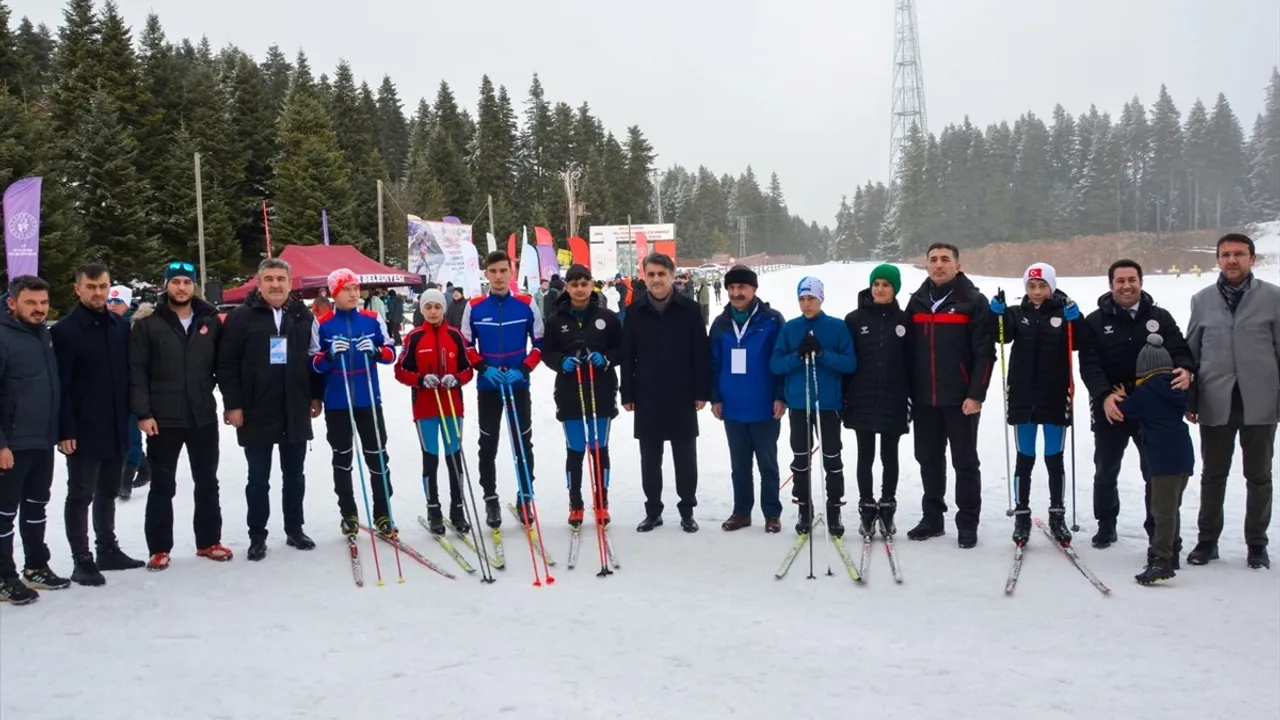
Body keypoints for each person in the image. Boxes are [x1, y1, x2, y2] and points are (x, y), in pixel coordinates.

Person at [1077, 259, 1195, 550]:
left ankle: (1156, 529)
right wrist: (1104, 396)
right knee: (1106, 469)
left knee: (1153, 471)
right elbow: (1089, 364)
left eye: (1132, 280)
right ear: (1111, 285)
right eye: (1120, 280)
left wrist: (1186, 369)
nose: (1126, 286)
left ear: (1141, 282)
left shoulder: (1160, 317)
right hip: (1113, 406)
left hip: (1152, 409)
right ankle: (1106, 525)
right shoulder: (1094, 321)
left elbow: (1180, 349)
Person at [218, 258, 323, 561]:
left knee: (295, 475)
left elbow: (314, 358)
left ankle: (294, 528)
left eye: (281, 279)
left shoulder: (303, 315)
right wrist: (233, 404)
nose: (276, 284)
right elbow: (226, 364)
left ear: (290, 283)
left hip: (294, 406)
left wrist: (314, 396)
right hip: (256, 408)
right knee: (258, 479)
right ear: (259, 282)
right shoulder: (240, 317)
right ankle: (257, 535)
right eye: (269, 279)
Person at [1185, 233, 1280, 570]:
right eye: (1225, 254)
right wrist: (1190, 399)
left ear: (1252, 259)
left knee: (1259, 477)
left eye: (1239, 254)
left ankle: (1257, 545)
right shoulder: (1202, 299)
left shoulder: (1273, 298)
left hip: (1260, 401)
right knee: (1213, 475)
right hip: (1215, 399)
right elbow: (1191, 353)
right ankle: (1207, 541)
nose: (1232, 260)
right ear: (1217, 260)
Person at [130, 261, 230, 570]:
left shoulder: (210, 320)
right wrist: (143, 413)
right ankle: (159, 547)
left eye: (187, 282)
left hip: (202, 416)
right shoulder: (149, 323)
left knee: (207, 481)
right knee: (162, 485)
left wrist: (232, 402)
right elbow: (137, 372)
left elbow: (223, 366)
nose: (182, 288)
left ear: (194, 286)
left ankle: (208, 541)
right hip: (164, 418)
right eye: (176, 282)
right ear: (166, 285)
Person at [51, 263, 145, 586]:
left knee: (107, 490)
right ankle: (82, 559)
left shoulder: (119, 327)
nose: (97, 292)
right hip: (82, 430)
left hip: (116, 423)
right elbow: (60, 386)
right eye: (90, 286)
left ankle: (106, 547)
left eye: (102, 286)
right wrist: (65, 430)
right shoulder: (63, 331)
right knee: (80, 494)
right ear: (77, 289)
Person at [903, 243, 995, 549]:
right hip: (925, 399)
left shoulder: (973, 302)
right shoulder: (916, 303)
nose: (939, 265)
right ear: (926, 265)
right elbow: (906, 353)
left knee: (965, 462)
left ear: (958, 265)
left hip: (961, 400)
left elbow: (985, 353)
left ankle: (967, 523)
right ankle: (933, 519)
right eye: (933, 260)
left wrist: (977, 393)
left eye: (945, 260)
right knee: (928, 459)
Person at [988, 262, 1081, 546]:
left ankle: (1057, 514)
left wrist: (1076, 320)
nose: (1037, 291)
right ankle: (1022, 514)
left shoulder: (1063, 311)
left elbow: (1079, 341)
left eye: (1042, 286)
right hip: (1023, 396)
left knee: (1054, 457)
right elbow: (1000, 337)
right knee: (1025, 457)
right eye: (1032, 286)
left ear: (1051, 287)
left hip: (1054, 395)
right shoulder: (1018, 313)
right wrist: (997, 316)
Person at [621, 253, 711, 533]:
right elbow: (627, 355)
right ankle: (653, 510)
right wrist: (627, 393)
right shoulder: (635, 311)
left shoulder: (690, 309)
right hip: (647, 394)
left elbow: (701, 353)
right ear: (644, 277)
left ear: (673, 276)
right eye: (651, 274)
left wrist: (701, 391)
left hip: (682, 393)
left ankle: (687, 510)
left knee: (685, 457)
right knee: (650, 458)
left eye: (662, 274)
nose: (657, 279)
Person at [460, 251, 544, 528]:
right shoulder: (474, 306)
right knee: (488, 443)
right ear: (486, 274)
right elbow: (467, 345)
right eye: (493, 271)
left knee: (523, 443)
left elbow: (540, 343)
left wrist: (524, 369)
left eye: (503, 271)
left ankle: (525, 496)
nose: (498, 276)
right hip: (489, 385)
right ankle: (491, 498)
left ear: (511, 273)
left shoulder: (526, 304)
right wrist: (484, 368)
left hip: (518, 384)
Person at [0, 276, 71, 604]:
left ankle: (35, 565)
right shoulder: (3, 336)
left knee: (36, 506)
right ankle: (3, 576)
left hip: (41, 439)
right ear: (12, 302)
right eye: (31, 303)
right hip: (12, 443)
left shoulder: (44, 336)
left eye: (43, 303)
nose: (39, 309)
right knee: (4, 511)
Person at [313, 268, 399, 538]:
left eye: (355, 288)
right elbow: (312, 363)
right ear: (334, 293)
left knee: (377, 458)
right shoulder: (323, 323)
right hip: (338, 402)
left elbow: (390, 353)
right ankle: (348, 514)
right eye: (346, 289)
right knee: (343, 459)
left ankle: (383, 514)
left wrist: (374, 351)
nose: (353, 293)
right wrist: (328, 356)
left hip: (368, 400)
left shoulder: (372, 319)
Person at [770, 277, 857, 536]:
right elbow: (775, 364)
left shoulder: (837, 327)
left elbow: (850, 364)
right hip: (799, 404)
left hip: (827, 404)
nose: (806, 304)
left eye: (811, 299)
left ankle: (834, 509)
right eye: (802, 299)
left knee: (832, 458)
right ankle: (804, 509)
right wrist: (797, 356)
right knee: (800, 458)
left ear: (821, 299)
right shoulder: (790, 328)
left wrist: (822, 354)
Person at [540, 265, 624, 527]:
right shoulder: (556, 319)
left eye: (584, 283)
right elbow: (546, 352)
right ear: (567, 287)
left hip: (600, 389)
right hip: (570, 391)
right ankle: (575, 503)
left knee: (598, 449)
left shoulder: (607, 317)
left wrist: (607, 358)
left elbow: (622, 348)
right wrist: (560, 361)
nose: (579, 289)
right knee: (576, 449)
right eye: (574, 284)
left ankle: (601, 502)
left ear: (592, 286)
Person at [710, 264, 786, 533]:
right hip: (732, 406)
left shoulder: (773, 320)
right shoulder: (720, 324)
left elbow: (781, 361)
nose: (735, 292)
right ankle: (741, 512)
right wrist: (715, 397)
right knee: (739, 466)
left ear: (754, 289)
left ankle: (771, 513)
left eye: (741, 287)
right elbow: (713, 363)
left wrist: (781, 396)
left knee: (767, 463)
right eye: (731, 287)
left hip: (764, 405)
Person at [394, 289, 474, 535]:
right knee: (431, 458)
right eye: (427, 307)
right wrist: (420, 379)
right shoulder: (414, 337)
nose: (432, 311)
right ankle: (433, 508)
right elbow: (400, 370)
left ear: (444, 309)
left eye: (437, 307)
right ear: (422, 310)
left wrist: (456, 378)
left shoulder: (456, 336)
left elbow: (469, 370)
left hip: (451, 406)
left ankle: (457, 508)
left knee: (453, 458)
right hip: (425, 408)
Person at [1116, 335, 1195, 585]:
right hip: (1183, 457)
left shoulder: (1147, 392)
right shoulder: (1176, 388)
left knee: (1162, 510)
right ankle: (1173, 551)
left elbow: (1125, 410)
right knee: (1172, 507)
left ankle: (1161, 559)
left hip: (1162, 460)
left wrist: (1123, 394)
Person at [842, 264, 913, 538]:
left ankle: (887, 507)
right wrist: (844, 396)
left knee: (889, 454)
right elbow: (848, 362)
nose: (880, 289)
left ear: (895, 288)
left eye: (886, 284)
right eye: (876, 284)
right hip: (862, 397)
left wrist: (911, 398)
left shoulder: (905, 320)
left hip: (894, 398)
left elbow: (911, 363)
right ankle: (867, 507)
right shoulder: (854, 319)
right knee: (865, 454)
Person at [108, 285, 151, 500]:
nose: (113, 305)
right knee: (119, 434)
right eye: (111, 301)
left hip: (134, 389)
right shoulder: (102, 325)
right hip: (111, 391)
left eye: (118, 301)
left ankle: (125, 481)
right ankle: (144, 466)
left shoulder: (137, 326)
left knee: (131, 435)